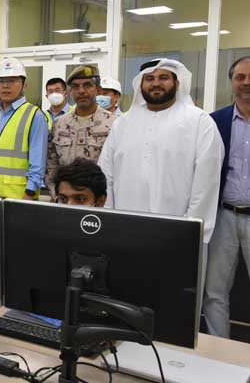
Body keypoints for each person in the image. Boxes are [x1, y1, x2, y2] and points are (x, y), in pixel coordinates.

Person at [98, 58, 223, 244]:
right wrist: (108, 221)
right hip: (124, 229)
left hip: (177, 233)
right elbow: (105, 175)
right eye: (149, 79)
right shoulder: (123, 123)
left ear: (177, 83)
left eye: (163, 77)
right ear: (141, 85)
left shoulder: (199, 122)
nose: (156, 83)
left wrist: (190, 231)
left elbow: (206, 185)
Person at [204, 56, 250, 338]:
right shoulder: (215, 121)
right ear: (232, 82)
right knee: (215, 291)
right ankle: (219, 353)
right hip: (223, 216)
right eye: (240, 77)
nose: (246, 83)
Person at [0, 58, 49, 200]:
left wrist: (29, 193)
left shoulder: (34, 115)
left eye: (12, 81)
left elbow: (38, 162)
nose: (6, 86)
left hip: (20, 197)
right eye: (1, 81)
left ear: (25, 85)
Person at [46, 65, 115, 195]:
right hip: (64, 201)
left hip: (98, 203)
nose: (81, 91)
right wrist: (57, 196)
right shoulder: (59, 124)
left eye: (87, 85)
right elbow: (51, 165)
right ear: (70, 92)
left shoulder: (113, 124)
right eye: (76, 86)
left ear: (98, 90)